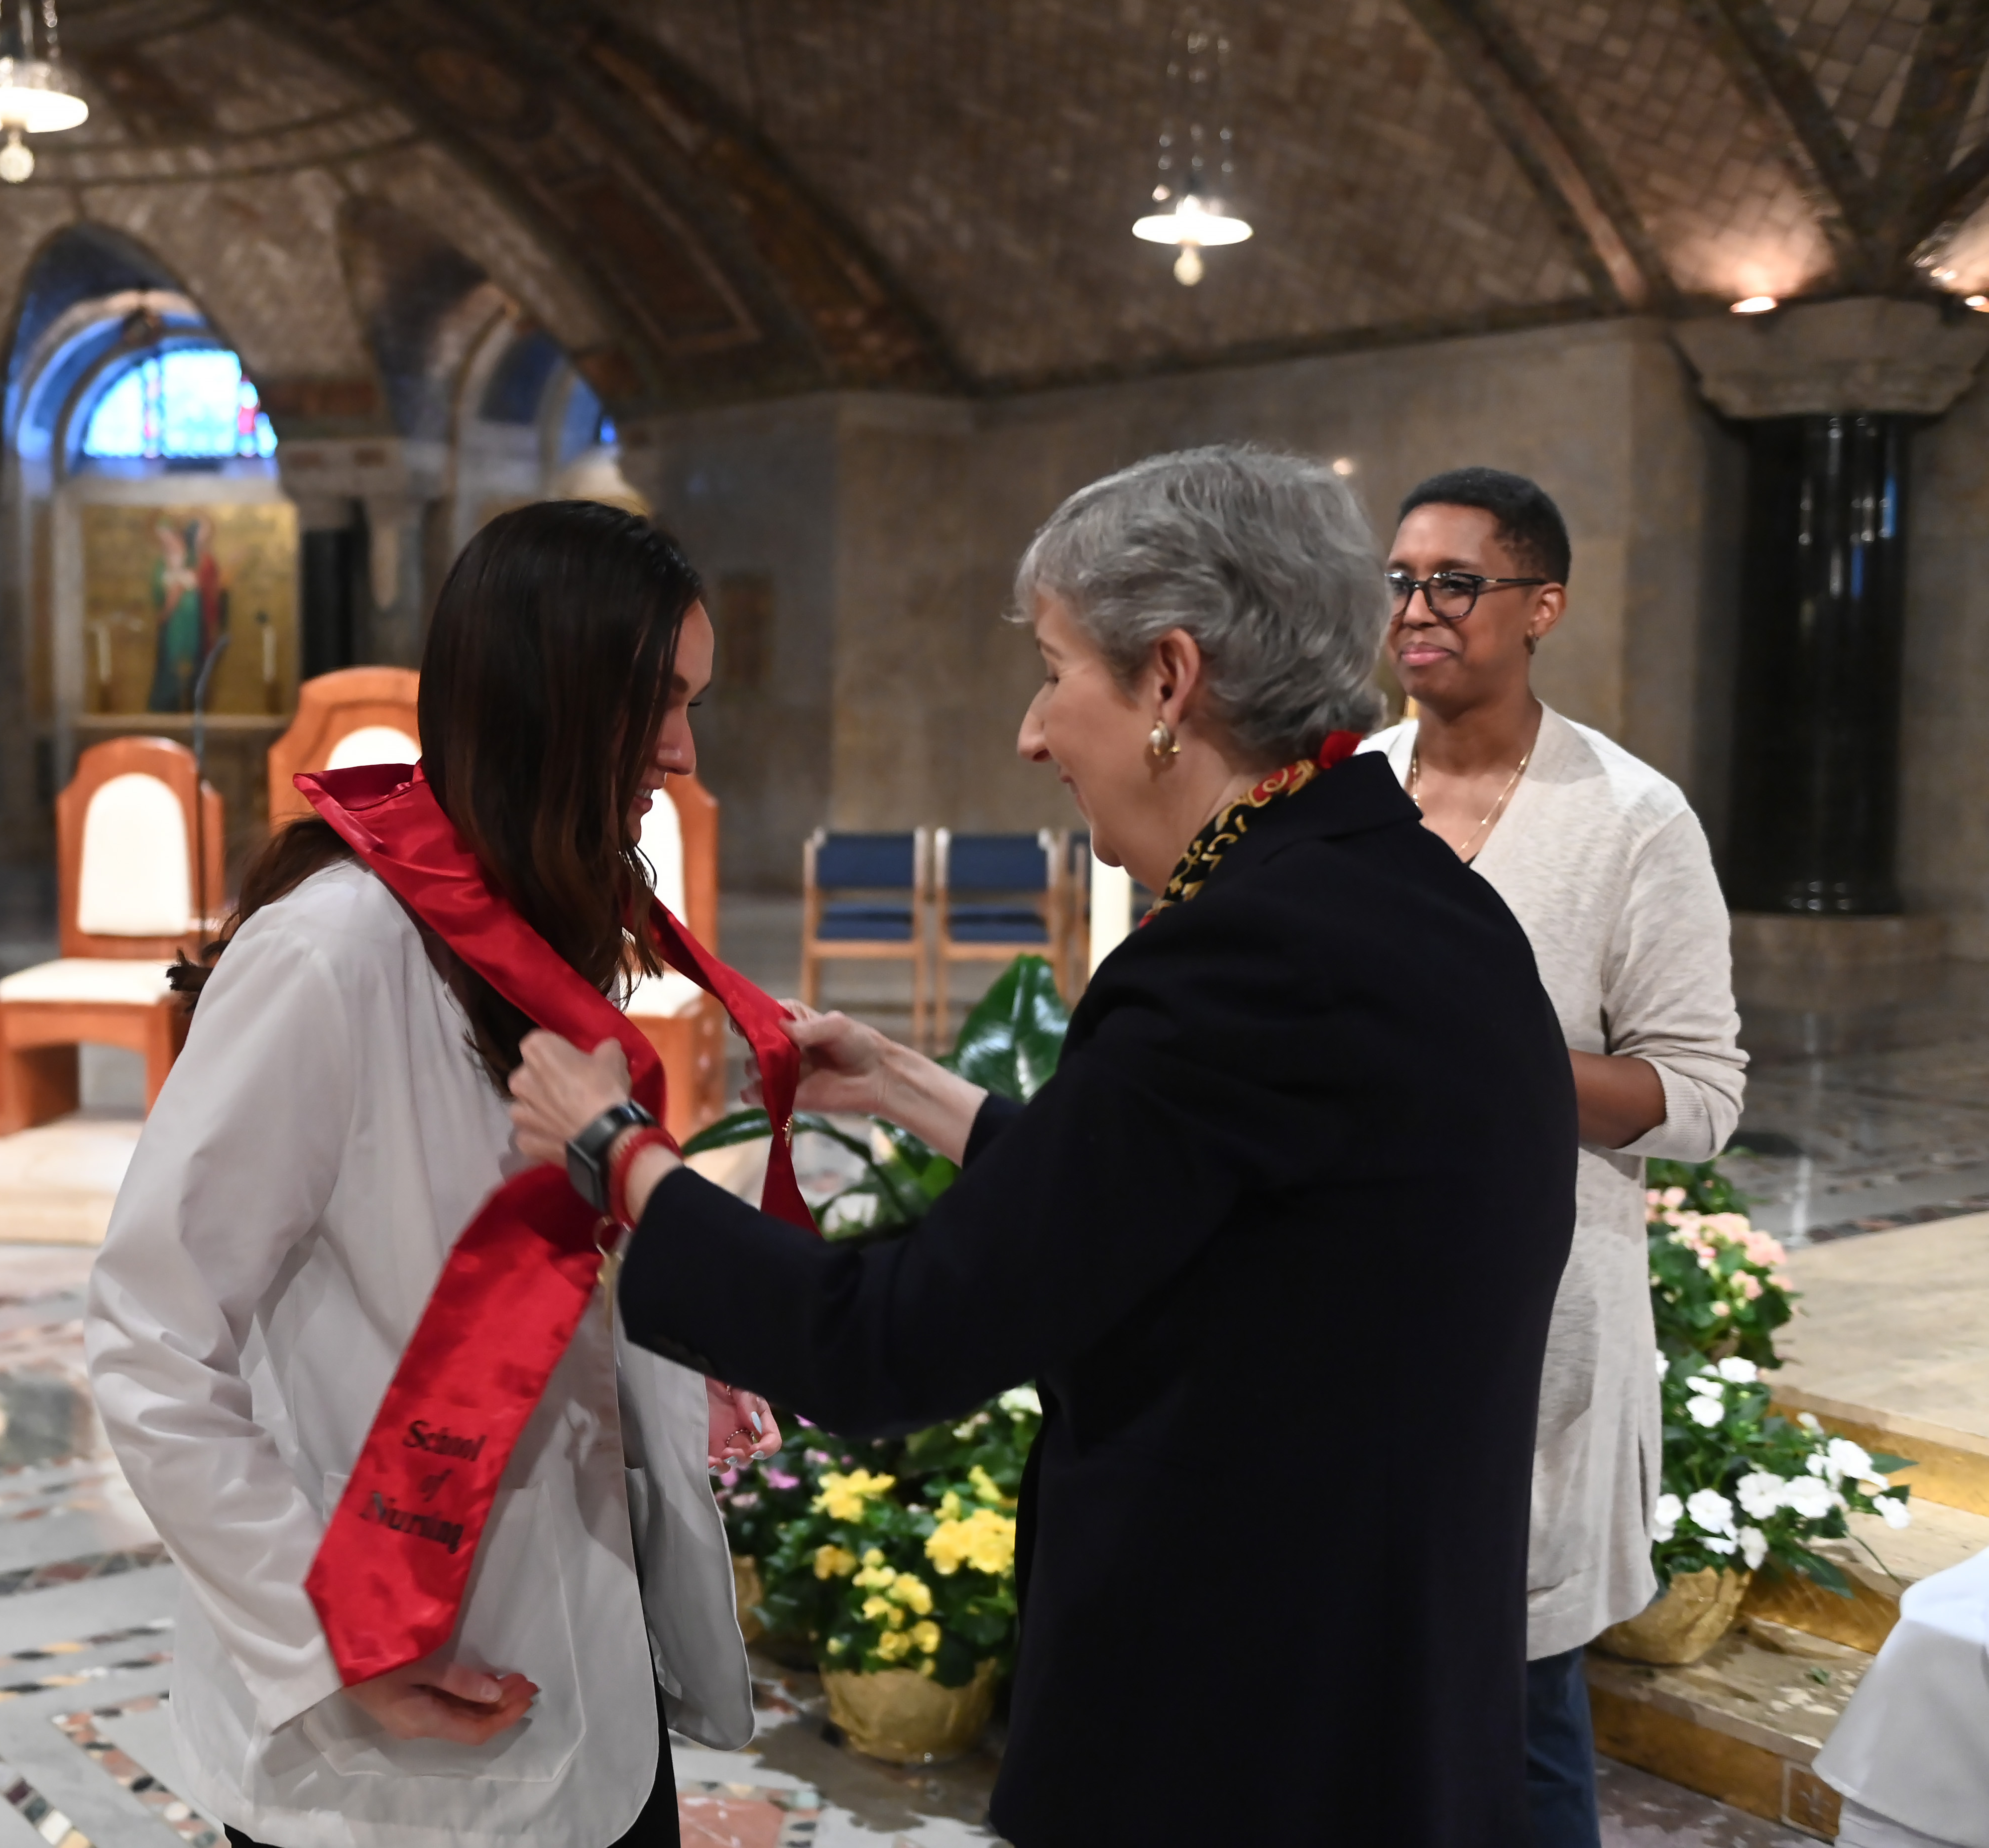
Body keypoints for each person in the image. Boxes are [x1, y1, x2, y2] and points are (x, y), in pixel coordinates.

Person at [507, 447, 1581, 1848]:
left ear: (1168, 682)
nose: (1030, 731)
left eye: (1057, 667)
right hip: (1387, 1699)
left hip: (1237, 1739)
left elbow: (890, 1341)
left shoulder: (1242, 957)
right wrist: (909, 1087)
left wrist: (619, 1153)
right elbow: (1191, 1201)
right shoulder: (1401, 894)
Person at [85, 500, 794, 1848]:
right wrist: (332, 1637)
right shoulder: (330, 954)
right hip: (395, 1713)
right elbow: (151, 1338)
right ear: (545, 694)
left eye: (693, 704)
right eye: (656, 702)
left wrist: (671, 1370)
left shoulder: (536, 916)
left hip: (585, 1666)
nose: (684, 753)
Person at [1365, 467, 1746, 1848]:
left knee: (1519, 1721)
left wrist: (1487, 1058)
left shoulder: (1631, 819)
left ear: (1543, 606)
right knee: (1360, 1710)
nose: (1418, 609)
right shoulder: (1341, 793)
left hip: (1541, 1333)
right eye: (1402, 580)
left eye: (1454, 584)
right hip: (1344, 1316)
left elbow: (1702, 1094)